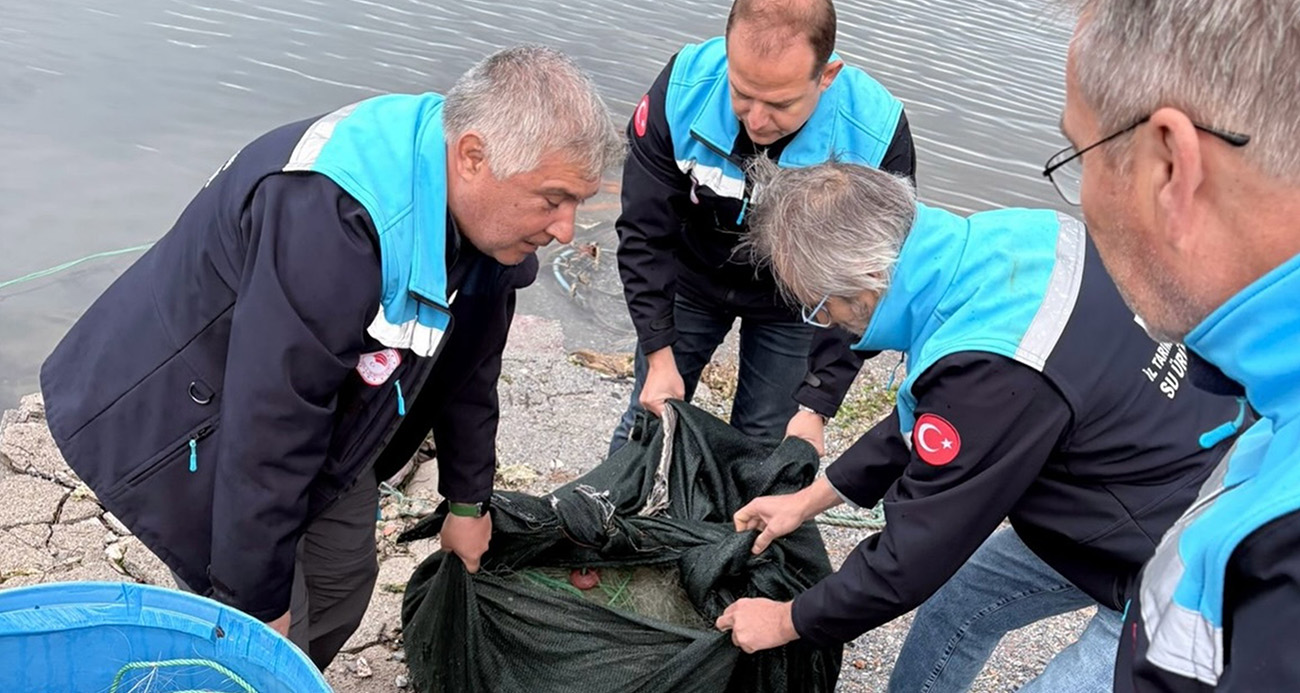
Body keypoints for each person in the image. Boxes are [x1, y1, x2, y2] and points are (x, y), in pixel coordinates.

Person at [39, 45, 623, 669]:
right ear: (474, 157)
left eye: (578, 203)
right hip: (189, 415)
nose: (566, 229)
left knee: (342, 586)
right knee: (257, 632)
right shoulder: (329, 217)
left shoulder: (491, 226)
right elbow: (270, 424)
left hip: (326, 405)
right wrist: (257, 605)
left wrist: (467, 501)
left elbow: (472, 370)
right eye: (553, 199)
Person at [712, 160, 1245, 692]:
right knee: (960, 604)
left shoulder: (991, 372)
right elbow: (933, 417)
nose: (826, 323)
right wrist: (808, 500)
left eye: (820, 308)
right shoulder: (1002, 240)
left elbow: (915, 553)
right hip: (1153, 473)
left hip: (1197, 560)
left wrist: (787, 620)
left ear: (870, 279)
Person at [1052, 1, 1300, 689]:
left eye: (1077, 156)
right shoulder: (1272, 393)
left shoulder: (1285, 562)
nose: (1083, 198)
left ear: (1170, 167)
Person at [610, 0, 915, 456]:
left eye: (780, 104)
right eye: (742, 93)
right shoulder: (683, 90)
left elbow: (866, 285)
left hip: (797, 304)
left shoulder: (874, 137)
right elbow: (643, 232)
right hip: (691, 275)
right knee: (648, 420)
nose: (755, 120)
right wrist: (657, 352)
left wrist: (818, 402)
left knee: (762, 445)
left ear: (826, 76)